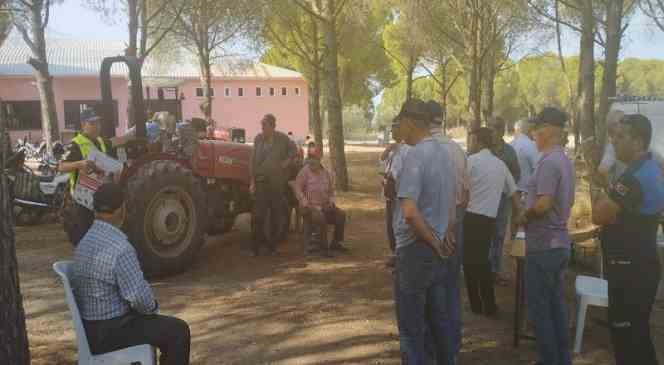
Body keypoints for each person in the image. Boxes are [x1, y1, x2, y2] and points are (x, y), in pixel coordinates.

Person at [72, 183, 190, 365]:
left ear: (95, 210)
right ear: (122, 209)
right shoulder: (120, 248)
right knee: (178, 331)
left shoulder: (84, 243)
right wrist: (153, 308)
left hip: (89, 330)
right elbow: (141, 301)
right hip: (112, 333)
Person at [592, 114, 664, 365]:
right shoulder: (650, 165)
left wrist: (601, 191)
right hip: (639, 265)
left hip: (630, 269)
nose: (614, 142)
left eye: (621, 137)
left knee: (626, 338)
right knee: (638, 335)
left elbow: (599, 214)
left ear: (638, 141)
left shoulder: (633, 178)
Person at [392, 98, 456, 364]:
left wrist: (433, 240)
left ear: (409, 122)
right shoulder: (446, 152)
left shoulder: (415, 155)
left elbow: (409, 212)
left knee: (411, 327)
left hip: (418, 250)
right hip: (439, 248)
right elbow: (454, 200)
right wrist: (446, 234)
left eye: (400, 124)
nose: (399, 130)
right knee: (439, 321)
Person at [517, 107, 574, 365]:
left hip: (545, 246)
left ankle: (551, 359)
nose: (534, 136)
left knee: (540, 310)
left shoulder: (550, 162)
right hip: (557, 243)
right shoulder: (562, 159)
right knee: (555, 307)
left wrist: (524, 216)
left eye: (537, 131)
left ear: (549, 131)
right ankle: (561, 358)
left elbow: (543, 204)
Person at [426, 100, 468, 360]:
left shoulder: (418, 149)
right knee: (452, 286)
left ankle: (437, 349)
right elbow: (466, 194)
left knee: (432, 291)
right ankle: (452, 346)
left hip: (431, 227)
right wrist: (455, 224)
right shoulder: (457, 150)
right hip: (455, 222)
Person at [464, 127, 519, 317]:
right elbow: (513, 192)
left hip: (471, 217)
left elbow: (461, 188)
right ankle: (489, 304)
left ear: (479, 142)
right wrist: (520, 215)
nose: (469, 144)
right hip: (489, 219)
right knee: (483, 261)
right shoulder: (500, 165)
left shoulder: (471, 161)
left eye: (471, 140)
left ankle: (476, 304)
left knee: (470, 262)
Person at [58, 108, 132, 246]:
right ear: (83, 125)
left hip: (100, 201)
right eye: (92, 123)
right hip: (82, 202)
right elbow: (61, 166)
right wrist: (80, 163)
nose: (96, 127)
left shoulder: (100, 142)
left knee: (99, 240)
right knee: (83, 240)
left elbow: (115, 142)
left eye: (98, 123)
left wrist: (132, 134)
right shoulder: (75, 144)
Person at [250, 114, 295, 256]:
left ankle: (272, 247)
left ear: (272, 126)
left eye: (264, 125)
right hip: (261, 182)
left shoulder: (282, 139)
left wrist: (287, 161)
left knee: (276, 216)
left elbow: (293, 149)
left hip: (276, 183)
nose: (262, 128)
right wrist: (252, 181)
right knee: (258, 217)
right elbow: (252, 160)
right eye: (261, 125)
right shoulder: (258, 139)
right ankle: (255, 248)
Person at [294, 146, 348, 256]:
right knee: (320, 217)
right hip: (309, 207)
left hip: (324, 206)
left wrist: (331, 203)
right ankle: (323, 248)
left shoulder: (326, 173)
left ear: (320, 158)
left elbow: (332, 191)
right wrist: (305, 203)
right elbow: (297, 189)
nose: (312, 160)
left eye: (314, 158)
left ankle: (336, 242)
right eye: (310, 157)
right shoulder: (304, 172)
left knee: (341, 215)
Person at [488, 116, 521, 285]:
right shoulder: (482, 149)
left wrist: (506, 187)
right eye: (489, 128)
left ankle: (494, 269)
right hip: (483, 199)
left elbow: (517, 173)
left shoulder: (509, 152)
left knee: (499, 235)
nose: (490, 132)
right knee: (485, 234)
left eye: (493, 128)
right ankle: (485, 269)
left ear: (501, 131)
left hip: (501, 200)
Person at [380, 118, 411, 260]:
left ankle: (400, 257)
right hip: (389, 193)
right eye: (391, 129)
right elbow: (382, 166)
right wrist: (386, 152)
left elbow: (400, 173)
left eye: (394, 128)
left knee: (399, 225)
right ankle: (395, 254)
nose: (392, 131)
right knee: (390, 224)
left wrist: (390, 177)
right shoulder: (393, 149)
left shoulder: (407, 149)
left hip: (400, 194)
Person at [511, 119, 540, 192]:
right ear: (529, 131)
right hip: (525, 192)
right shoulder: (532, 146)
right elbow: (538, 169)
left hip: (510, 192)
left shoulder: (509, 145)